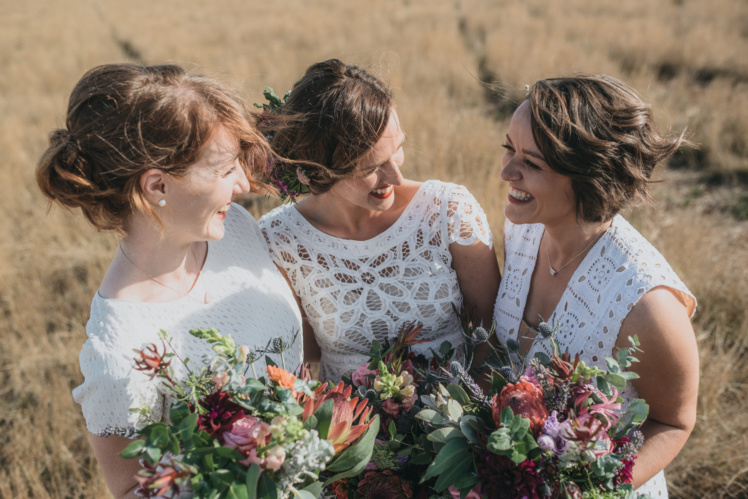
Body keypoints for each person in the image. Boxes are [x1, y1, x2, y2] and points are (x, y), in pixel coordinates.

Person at [36, 63, 303, 498]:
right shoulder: (119, 355)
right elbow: (131, 490)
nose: (242, 183)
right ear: (158, 186)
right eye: (224, 169)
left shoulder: (233, 227)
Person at [493, 75, 699, 496]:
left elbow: (675, 421)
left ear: (589, 176)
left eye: (530, 163)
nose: (506, 172)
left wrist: (585, 489)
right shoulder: (522, 233)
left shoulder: (648, 305)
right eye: (508, 149)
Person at [258, 59, 501, 381]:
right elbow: (305, 356)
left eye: (397, 149)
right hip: (348, 423)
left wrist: (472, 415)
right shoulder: (280, 238)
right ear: (319, 167)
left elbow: (491, 326)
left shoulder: (448, 210)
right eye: (370, 167)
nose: (396, 177)